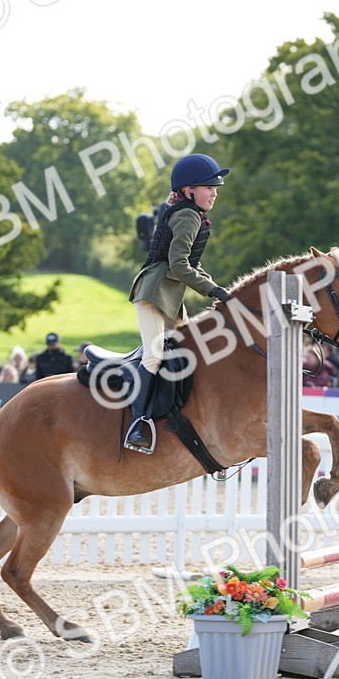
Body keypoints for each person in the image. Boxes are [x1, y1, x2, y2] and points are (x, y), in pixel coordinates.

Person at [125, 152, 231, 453]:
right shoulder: (186, 216)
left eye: (216, 188)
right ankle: (138, 423)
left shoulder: (191, 214)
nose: (214, 193)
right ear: (189, 190)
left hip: (168, 294)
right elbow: (180, 265)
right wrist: (213, 291)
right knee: (154, 354)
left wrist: (218, 288)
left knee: (184, 347)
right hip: (154, 291)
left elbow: (189, 268)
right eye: (209, 187)